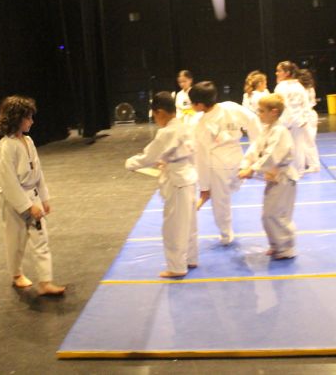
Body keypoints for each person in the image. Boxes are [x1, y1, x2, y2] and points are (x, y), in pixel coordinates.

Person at [0, 95, 65, 295]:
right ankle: (16, 274)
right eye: (28, 118)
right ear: (17, 118)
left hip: (32, 195)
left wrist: (44, 198)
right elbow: (8, 182)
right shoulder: (4, 147)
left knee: (41, 239)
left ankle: (45, 282)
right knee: (15, 241)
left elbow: (38, 172)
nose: (32, 122)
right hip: (14, 201)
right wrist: (27, 206)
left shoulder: (29, 141)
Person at [126, 92, 198, 278]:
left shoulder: (167, 132)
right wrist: (165, 160)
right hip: (189, 178)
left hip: (177, 182)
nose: (156, 119)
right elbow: (179, 152)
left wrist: (130, 163)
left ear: (160, 112)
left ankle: (177, 267)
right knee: (189, 224)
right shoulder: (185, 126)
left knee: (174, 227)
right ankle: (191, 258)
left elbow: (148, 156)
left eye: (155, 115)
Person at [189, 81, 260, 245]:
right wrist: (255, 151)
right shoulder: (230, 107)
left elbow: (201, 157)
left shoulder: (198, 124)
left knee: (220, 203)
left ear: (199, 104)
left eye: (193, 103)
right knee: (232, 187)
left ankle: (226, 235)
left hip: (217, 165)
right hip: (238, 159)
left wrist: (204, 187)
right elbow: (253, 120)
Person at [239, 94, 298, 259]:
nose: (258, 114)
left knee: (276, 215)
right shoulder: (267, 129)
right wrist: (245, 164)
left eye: (261, 111)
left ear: (274, 112)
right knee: (268, 215)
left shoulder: (280, 131)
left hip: (284, 179)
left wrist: (252, 170)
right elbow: (255, 150)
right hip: (274, 178)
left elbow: (271, 156)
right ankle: (276, 244)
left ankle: (286, 248)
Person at [274, 61, 310, 177]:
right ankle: (299, 171)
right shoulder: (299, 85)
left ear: (287, 73)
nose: (276, 73)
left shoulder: (281, 87)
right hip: (298, 120)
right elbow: (306, 103)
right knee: (298, 146)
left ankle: (289, 172)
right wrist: (304, 118)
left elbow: (281, 105)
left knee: (284, 147)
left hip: (286, 121)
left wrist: (285, 121)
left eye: (279, 71)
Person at [297, 69, 320, 173]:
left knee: (308, 141)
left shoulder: (304, 90)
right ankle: (307, 162)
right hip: (310, 115)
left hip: (307, 116)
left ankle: (314, 165)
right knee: (306, 141)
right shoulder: (309, 88)